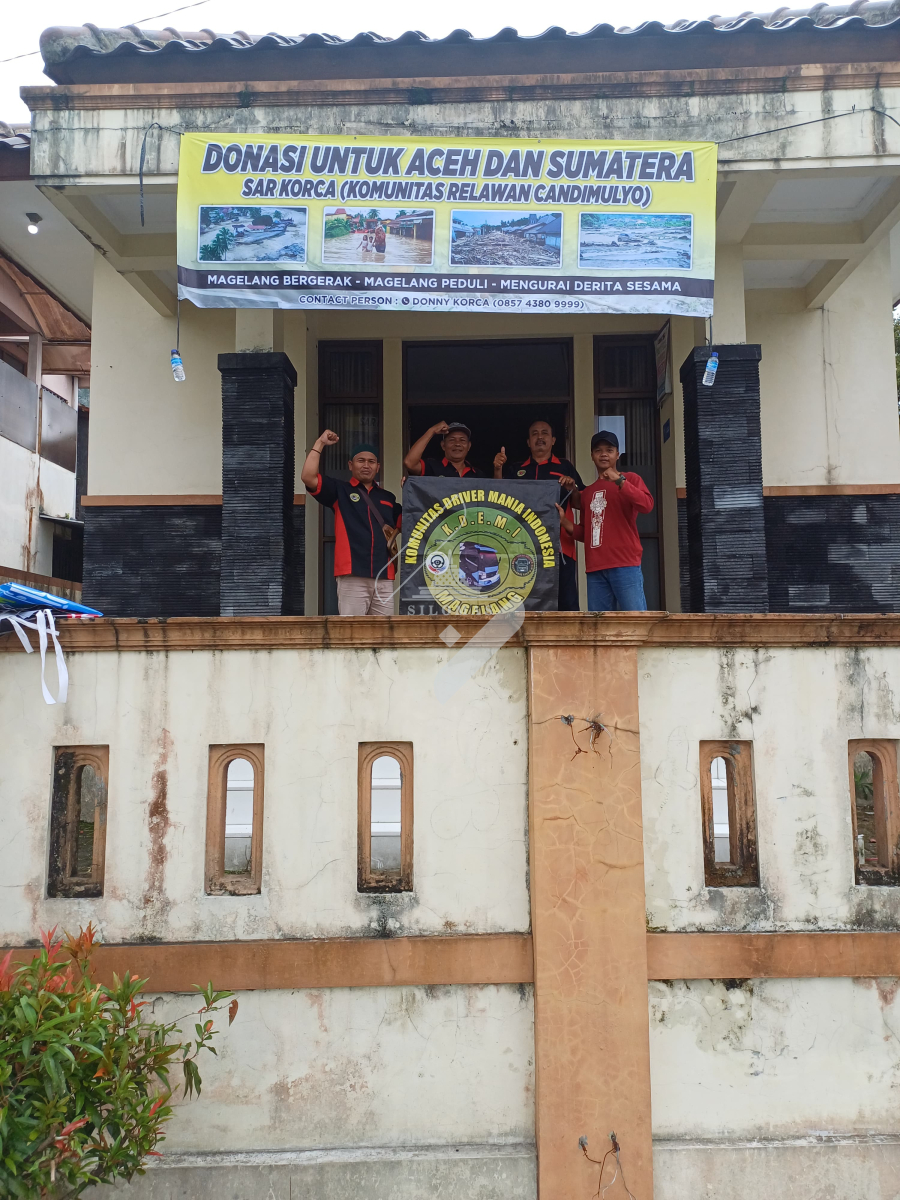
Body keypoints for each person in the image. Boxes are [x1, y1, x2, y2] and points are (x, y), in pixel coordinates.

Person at [301, 431, 401, 616]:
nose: (366, 465)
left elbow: (410, 519)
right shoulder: (340, 490)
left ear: (378, 467)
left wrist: (411, 486)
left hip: (384, 576)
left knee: (386, 631)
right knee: (352, 630)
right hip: (352, 573)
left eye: (371, 461)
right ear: (350, 465)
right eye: (360, 460)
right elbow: (308, 477)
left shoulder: (388, 497)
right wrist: (320, 443)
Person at [555, 430, 653, 612]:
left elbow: (647, 505)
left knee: (637, 620)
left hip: (625, 563)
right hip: (595, 568)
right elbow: (587, 533)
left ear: (617, 455)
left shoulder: (631, 478)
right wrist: (564, 521)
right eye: (598, 450)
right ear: (592, 456)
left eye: (609, 450)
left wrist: (620, 481)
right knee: (598, 625)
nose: (604, 454)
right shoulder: (587, 493)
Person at [493, 419, 584, 611]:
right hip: (522, 547)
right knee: (523, 601)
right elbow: (499, 499)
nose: (540, 437)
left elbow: (579, 504)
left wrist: (573, 488)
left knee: (566, 603)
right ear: (528, 442)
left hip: (560, 547)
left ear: (553, 440)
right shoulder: (517, 469)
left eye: (545, 433)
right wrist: (498, 469)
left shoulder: (565, 466)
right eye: (534, 433)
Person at [404, 420, 484, 478]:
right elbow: (409, 463)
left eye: (462, 440)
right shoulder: (432, 467)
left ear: (469, 446)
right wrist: (431, 431)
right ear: (443, 445)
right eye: (452, 440)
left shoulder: (478, 475)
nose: (457, 444)